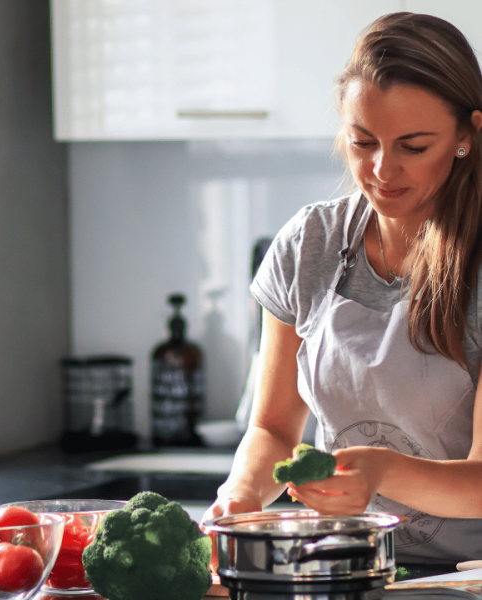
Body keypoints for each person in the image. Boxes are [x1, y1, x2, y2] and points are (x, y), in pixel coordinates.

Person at [201, 12, 482, 569]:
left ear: (466, 136)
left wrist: (381, 472)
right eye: (362, 141)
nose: (382, 169)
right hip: (343, 564)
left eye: (413, 146)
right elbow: (273, 428)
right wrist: (242, 495)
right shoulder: (310, 244)